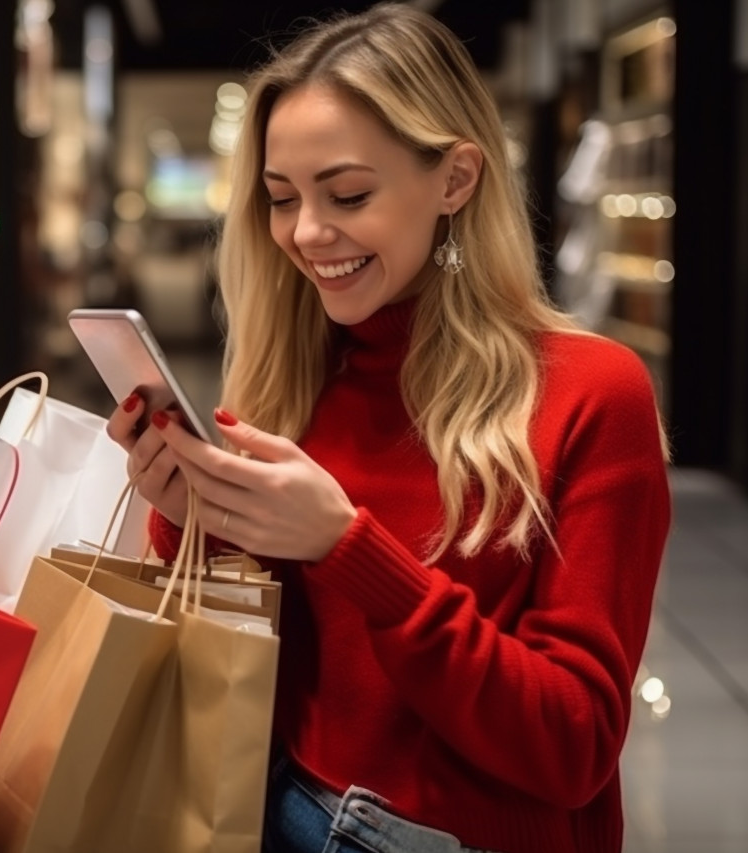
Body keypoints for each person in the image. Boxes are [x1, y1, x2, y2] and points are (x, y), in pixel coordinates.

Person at [105, 5, 671, 853]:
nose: (305, 233)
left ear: (455, 179)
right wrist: (191, 516)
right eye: (280, 198)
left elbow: (575, 743)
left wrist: (351, 551)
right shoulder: (295, 375)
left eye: (348, 194)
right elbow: (260, 661)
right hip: (265, 801)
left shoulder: (592, 393)